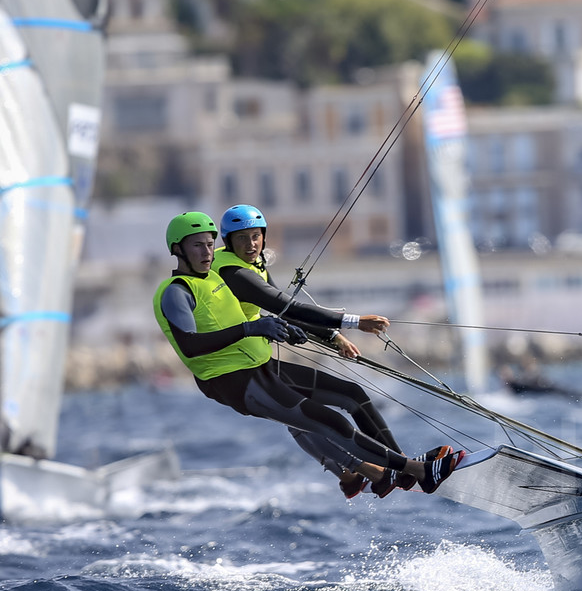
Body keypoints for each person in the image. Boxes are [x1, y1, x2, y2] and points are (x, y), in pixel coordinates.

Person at [153, 211, 463, 495]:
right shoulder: (177, 291)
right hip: (235, 381)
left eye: (209, 245)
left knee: (349, 395)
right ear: (177, 249)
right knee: (328, 422)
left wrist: (285, 329)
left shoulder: (214, 277)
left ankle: (383, 472)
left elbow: (258, 315)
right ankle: (415, 471)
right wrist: (254, 328)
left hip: (261, 366)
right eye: (197, 246)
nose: (207, 252)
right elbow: (191, 345)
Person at [212, 203, 411, 497]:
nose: (251, 244)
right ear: (227, 240)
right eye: (242, 238)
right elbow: (287, 306)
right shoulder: (233, 271)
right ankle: (402, 467)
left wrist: (333, 336)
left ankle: (352, 475)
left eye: (256, 236)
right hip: (245, 369)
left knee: (302, 418)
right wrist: (354, 322)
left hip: (251, 364)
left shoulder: (251, 264)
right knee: (347, 398)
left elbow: (283, 312)